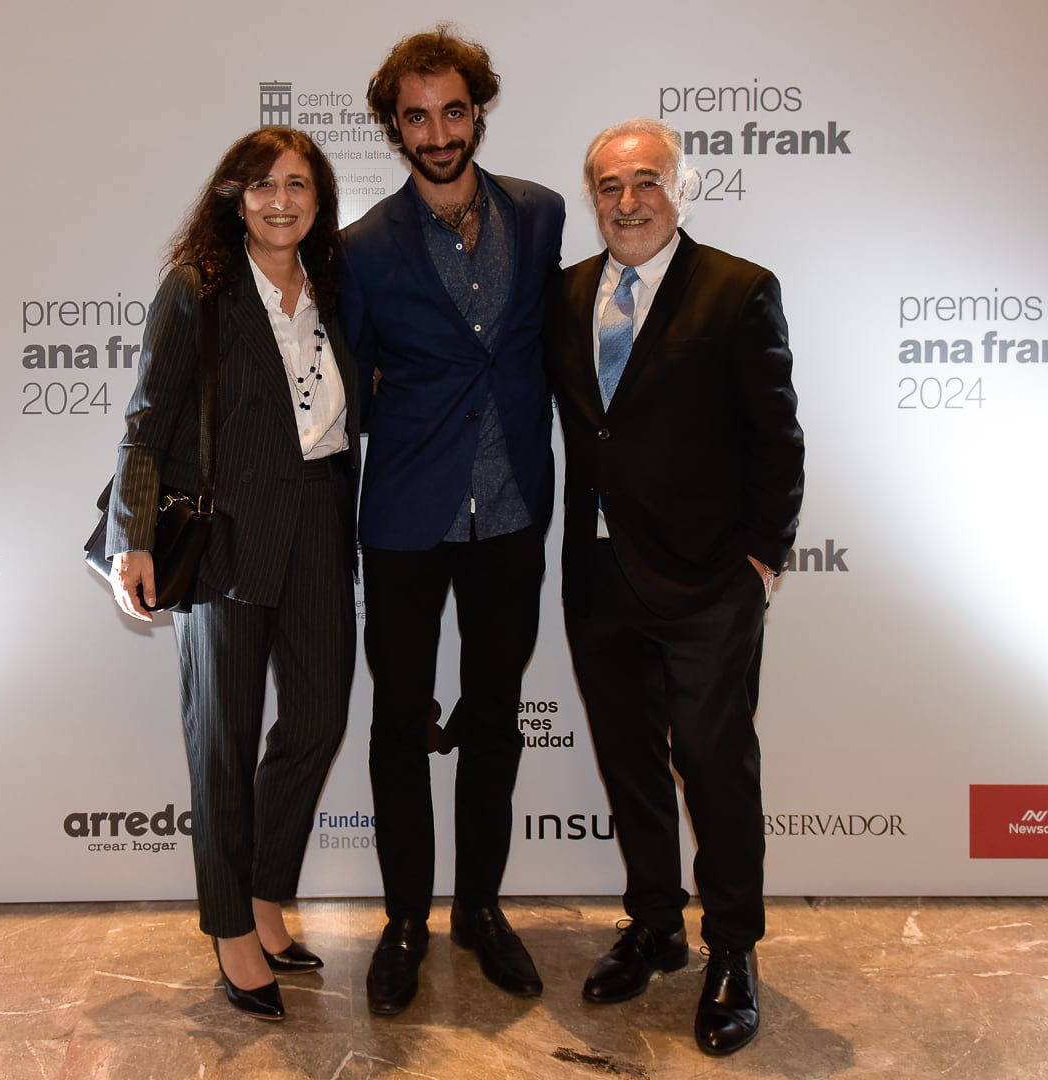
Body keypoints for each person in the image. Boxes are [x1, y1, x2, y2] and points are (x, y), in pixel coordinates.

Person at [549, 118, 804, 1056]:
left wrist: (760, 559)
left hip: (707, 583)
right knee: (629, 763)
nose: (627, 202)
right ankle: (654, 924)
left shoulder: (739, 290)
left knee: (716, 767)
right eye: (609, 187)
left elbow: (777, 439)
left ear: (681, 188)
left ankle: (731, 951)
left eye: (646, 182)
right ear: (593, 198)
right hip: (599, 574)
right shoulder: (568, 293)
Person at [106, 127, 359, 1021]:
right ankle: (229, 925)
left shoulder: (336, 284)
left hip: (326, 520)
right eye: (260, 186)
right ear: (232, 198)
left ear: (320, 198)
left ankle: (264, 891)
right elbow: (146, 422)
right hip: (225, 537)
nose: (279, 200)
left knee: (321, 717)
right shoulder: (197, 291)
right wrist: (130, 535)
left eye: (297, 184)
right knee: (222, 739)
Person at [339, 25, 565, 1016]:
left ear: (479, 110)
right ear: (396, 125)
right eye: (417, 115)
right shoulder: (359, 250)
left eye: (454, 110)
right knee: (396, 726)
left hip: (514, 507)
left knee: (496, 718)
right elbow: (344, 387)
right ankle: (401, 922)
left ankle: (479, 909)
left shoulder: (546, 215)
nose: (437, 132)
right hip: (403, 520)